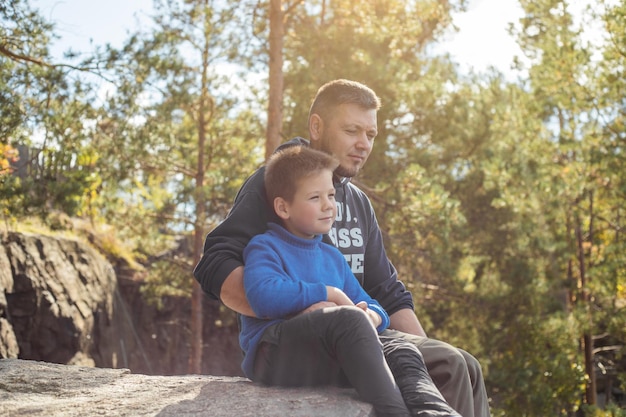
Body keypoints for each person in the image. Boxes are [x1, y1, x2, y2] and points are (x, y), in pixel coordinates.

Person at [194, 79, 491, 417]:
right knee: (447, 362)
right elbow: (215, 263)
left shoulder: (357, 202)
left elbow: (385, 292)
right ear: (317, 126)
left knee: (461, 364)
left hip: (362, 330)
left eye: (371, 135)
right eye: (352, 130)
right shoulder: (279, 182)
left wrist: (422, 347)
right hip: (304, 340)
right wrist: (308, 311)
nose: (363, 144)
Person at [240, 145, 460, 417]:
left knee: (401, 348)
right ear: (283, 207)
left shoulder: (331, 256)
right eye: (314, 197)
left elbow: (371, 305)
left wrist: (373, 318)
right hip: (273, 353)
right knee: (348, 319)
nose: (328, 206)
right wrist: (330, 293)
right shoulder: (265, 247)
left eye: (331, 195)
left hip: (325, 355)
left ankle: (436, 413)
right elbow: (262, 296)